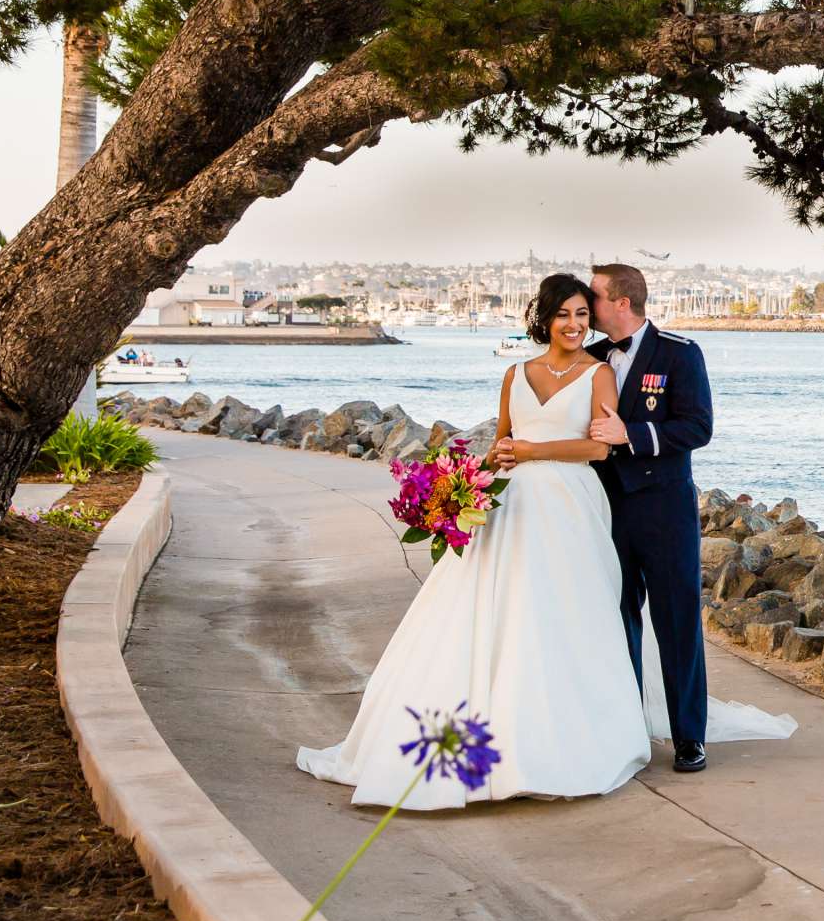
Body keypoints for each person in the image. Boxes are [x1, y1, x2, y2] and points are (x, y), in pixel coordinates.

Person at [295, 273, 651, 807]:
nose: (576, 325)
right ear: (544, 318)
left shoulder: (599, 374)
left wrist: (533, 452)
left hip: (569, 506)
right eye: (564, 315)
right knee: (491, 609)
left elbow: (600, 450)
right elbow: (502, 440)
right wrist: (465, 482)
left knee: (559, 614)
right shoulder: (515, 373)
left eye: (583, 314)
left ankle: (555, 744)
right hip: (511, 504)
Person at [581, 261, 793, 772]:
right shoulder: (588, 359)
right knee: (616, 623)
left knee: (676, 625)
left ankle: (688, 737)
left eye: (595, 297)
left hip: (664, 509)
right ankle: (626, 730)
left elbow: (698, 427)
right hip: (603, 507)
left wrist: (631, 435)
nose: (588, 307)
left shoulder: (679, 354)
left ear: (622, 303)